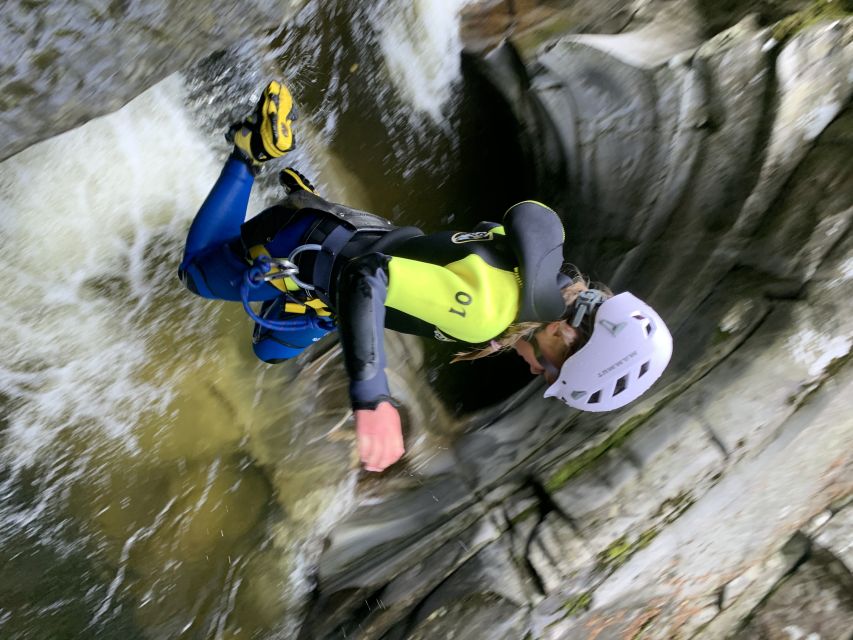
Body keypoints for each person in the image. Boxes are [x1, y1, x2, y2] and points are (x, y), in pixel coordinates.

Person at [179, 81, 673, 472]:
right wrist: (371, 398)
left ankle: (308, 223)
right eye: (550, 368)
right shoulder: (487, 315)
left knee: (270, 348)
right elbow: (366, 274)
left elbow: (433, 256)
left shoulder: (538, 268)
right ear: (564, 333)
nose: (535, 372)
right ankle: (252, 152)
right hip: (318, 252)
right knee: (198, 274)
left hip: (355, 247)